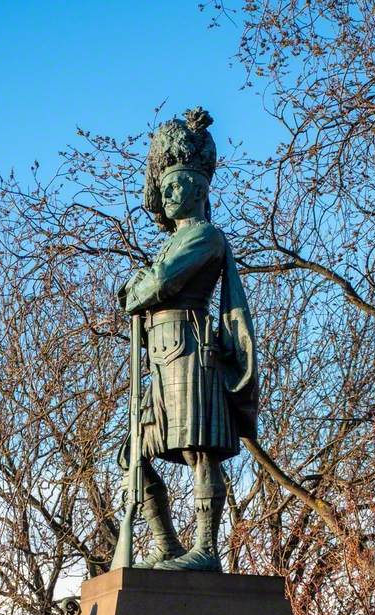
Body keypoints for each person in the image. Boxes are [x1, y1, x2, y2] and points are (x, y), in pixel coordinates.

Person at [117, 108, 257, 571]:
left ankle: (206, 550)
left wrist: (137, 289)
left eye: (178, 184)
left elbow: (161, 283)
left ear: (199, 189)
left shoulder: (205, 237)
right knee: (132, 456)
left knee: (200, 451)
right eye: (166, 185)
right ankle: (168, 546)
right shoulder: (171, 240)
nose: (169, 191)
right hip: (160, 357)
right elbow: (147, 286)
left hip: (190, 354)